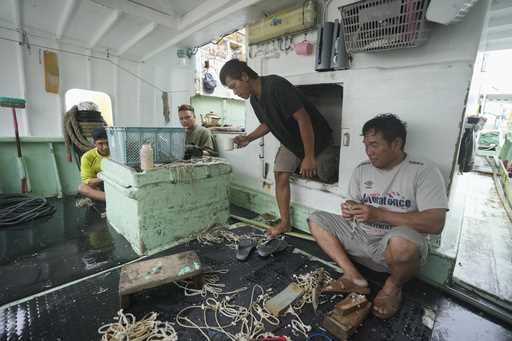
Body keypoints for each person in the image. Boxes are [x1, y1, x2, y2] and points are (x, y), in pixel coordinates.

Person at [308, 114, 448, 319]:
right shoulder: (362, 170)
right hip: (361, 237)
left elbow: (436, 223)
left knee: (402, 244)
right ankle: (354, 277)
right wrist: (349, 209)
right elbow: (352, 203)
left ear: (396, 143)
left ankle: (392, 286)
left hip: (392, 247)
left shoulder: (424, 170)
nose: (368, 152)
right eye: (366, 145)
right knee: (316, 219)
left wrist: (378, 214)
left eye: (374, 145)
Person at [219, 59, 339, 237]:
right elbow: (268, 123)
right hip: (291, 141)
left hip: (316, 139)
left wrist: (309, 156)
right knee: (280, 174)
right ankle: (285, 223)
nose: (235, 92)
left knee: (323, 175)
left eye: (234, 86)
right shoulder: (255, 100)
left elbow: (303, 119)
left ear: (244, 76)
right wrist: (248, 138)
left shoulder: (275, 86)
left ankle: (330, 153)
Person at [78, 127, 110, 202]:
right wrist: (105, 178)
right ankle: (111, 199)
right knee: (82, 187)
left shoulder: (119, 153)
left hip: (118, 184)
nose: (105, 147)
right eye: (100, 143)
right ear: (94, 143)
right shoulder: (87, 157)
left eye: (107, 143)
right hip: (100, 184)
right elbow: (87, 180)